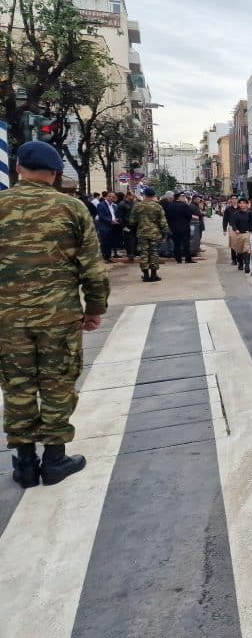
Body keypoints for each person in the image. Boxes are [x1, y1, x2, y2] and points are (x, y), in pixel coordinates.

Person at [1, 142, 109, 487]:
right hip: (59, 317)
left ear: (18, 168)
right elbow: (92, 268)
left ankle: (24, 463)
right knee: (57, 383)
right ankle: (55, 459)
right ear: (55, 173)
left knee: (16, 386)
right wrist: (94, 309)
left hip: (8, 319)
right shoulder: (71, 208)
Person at [129, 188, 170, 282]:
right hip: (155, 234)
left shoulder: (137, 206)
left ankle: (146, 275)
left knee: (144, 253)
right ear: (154, 195)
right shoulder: (158, 206)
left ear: (144, 194)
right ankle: (154, 275)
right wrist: (164, 234)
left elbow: (132, 221)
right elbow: (163, 222)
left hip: (142, 233)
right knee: (154, 253)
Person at [165, 192, 195, 264]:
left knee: (176, 244)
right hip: (184, 227)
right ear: (179, 197)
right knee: (186, 243)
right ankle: (188, 259)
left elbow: (167, 217)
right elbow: (189, 216)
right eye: (183, 196)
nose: (184, 198)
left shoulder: (169, 206)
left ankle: (178, 259)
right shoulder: (184, 205)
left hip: (173, 228)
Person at [94, 190, 120, 262]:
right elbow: (101, 216)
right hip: (104, 226)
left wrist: (117, 219)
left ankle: (109, 257)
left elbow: (115, 215)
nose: (111, 198)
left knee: (110, 242)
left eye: (113, 197)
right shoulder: (101, 205)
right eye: (110, 196)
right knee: (105, 242)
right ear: (106, 197)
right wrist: (111, 221)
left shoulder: (114, 205)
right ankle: (104, 257)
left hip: (113, 226)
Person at [230, 198, 252, 272]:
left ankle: (247, 266)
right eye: (240, 203)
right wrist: (236, 229)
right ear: (239, 204)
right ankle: (240, 264)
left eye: (244, 203)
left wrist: (250, 230)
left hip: (247, 234)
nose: (242, 204)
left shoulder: (250, 214)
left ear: (247, 204)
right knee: (239, 250)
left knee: (247, 250)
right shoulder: (236, 214)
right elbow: (233, 223)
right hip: (238, 234)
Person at [117, 192, 137, 262]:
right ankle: (130, 254)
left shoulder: (134, 203)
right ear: (128, 195)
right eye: (132, 196)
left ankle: (132, 254)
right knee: (129, 240)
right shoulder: (122, 204)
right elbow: (119, 217)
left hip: (134, 225)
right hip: (127, 225)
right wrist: (123, 226)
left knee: (134, 240)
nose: (134, 197)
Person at [222, 194, 239, 265]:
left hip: (241, 227)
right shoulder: (228, 209)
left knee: (240, 243)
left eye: (235, 198)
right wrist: (224, 229)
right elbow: (225, 220)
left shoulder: (240, 208)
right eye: (233, 198)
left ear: (237, 199)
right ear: (231, 200)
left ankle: (240, 258)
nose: (234, 200)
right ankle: (234, 259)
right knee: (233, 244)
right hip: (232, 228)